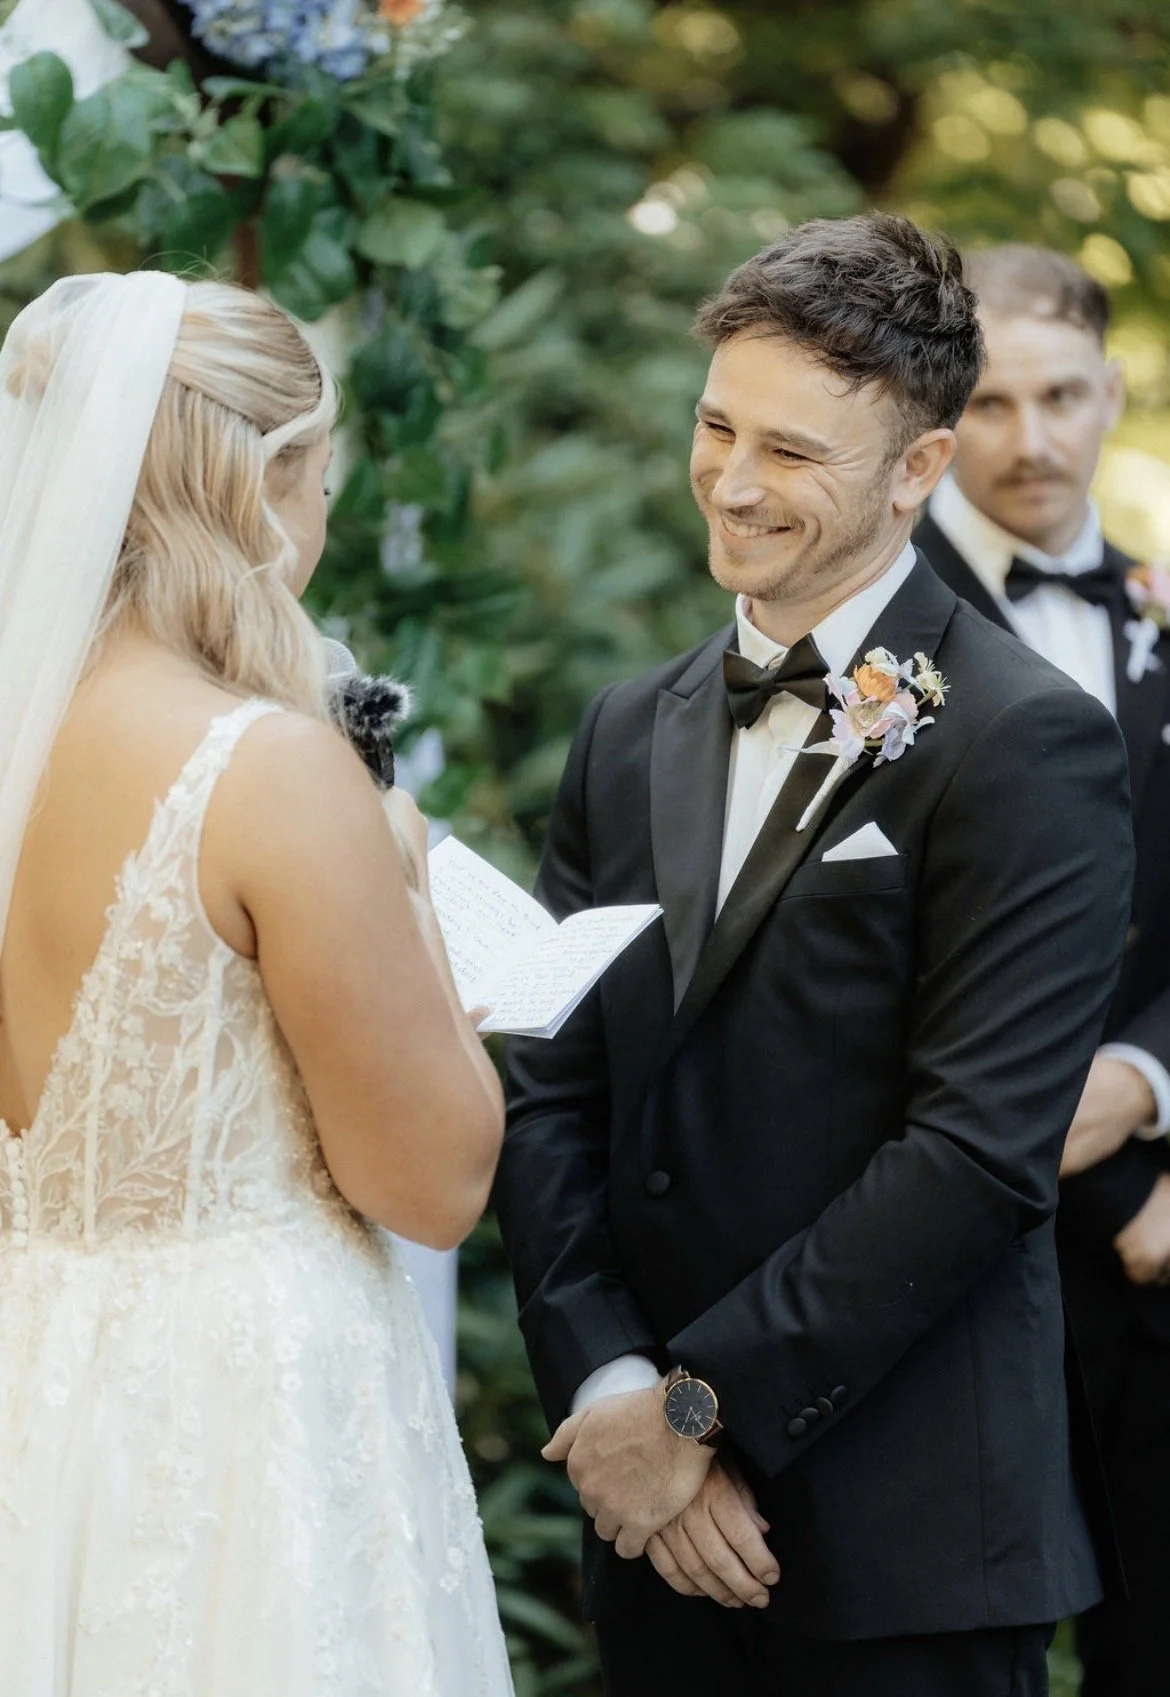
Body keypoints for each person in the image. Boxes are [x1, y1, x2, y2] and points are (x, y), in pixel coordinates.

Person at [494, 213, 1135, 1697]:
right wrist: (611, 1385)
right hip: (647, 1527)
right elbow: (546, 1074)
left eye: (790, 451)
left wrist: (702, 1409)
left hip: (897, 1546)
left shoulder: (1023, 739)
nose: (729, 480)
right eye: (717, 425)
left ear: (917, 469)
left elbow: (975, 1152)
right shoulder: (622, 726)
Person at [0, 272, 513, 1697]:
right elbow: (433, 1179)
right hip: (241, 1422)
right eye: (322, 478)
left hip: (36, 1383)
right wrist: (407, 892)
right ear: (268, 480)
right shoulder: (269, 771)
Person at [914, 242, 1170, 1697]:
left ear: (1110, 391)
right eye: (993, 405)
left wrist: (1142, 1093)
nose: (1032, 440)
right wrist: (1112, 1184)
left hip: (1152, 1282)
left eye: (1061, 396)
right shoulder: (876, 641)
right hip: (957, 1260)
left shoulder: (1155, 613)